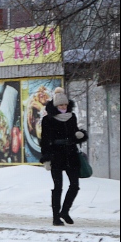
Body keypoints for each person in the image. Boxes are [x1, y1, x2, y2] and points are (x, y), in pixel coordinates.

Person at [39, 86, 87, 226]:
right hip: (56, 155)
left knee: (74, 185)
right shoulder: (48, 119)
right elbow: (45, 140)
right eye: (60, 104)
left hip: (71, 153)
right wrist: (46, 158)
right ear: (55, 105)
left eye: (65, 104)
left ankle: (65, 211)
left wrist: (80, 135)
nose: (63, 107)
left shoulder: (72, 117)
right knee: (58, 186)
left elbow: (75, 133)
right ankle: (55, 217)